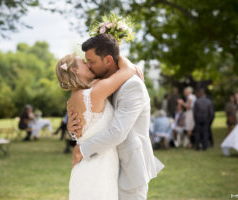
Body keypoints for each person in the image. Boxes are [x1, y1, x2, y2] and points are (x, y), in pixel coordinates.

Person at [66, 34, 164, 200]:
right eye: (86, 61)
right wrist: (73, 127)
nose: (88, 66)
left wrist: (81, 149)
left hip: (129, 168)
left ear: (108, 60)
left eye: (92, 62)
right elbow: (93, 118)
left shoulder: (132, 85)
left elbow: (118, 132)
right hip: (105, 165)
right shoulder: (104, 82)